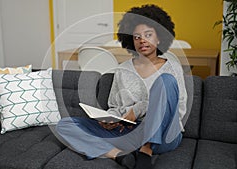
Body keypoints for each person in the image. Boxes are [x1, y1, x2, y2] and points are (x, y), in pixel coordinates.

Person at [56, 4, 188, 169]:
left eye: (148, 35)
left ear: (159, 37)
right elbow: (114, 106)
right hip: (128, 133)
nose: (142, 41)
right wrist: (109, 120)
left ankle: (146, 149)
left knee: (165, 81)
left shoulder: (172, 68)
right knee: (65, 125)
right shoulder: (122, 70)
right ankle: (118, 155)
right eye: (137, 36)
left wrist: (137, 110)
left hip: (164, 135)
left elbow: (179, 109)